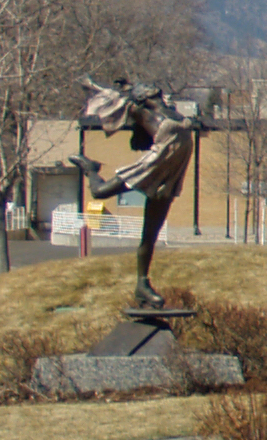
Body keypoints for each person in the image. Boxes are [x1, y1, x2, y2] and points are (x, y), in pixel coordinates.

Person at [82, 80, 200, 310]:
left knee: (150, 235)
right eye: (150, 91)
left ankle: (142, 284)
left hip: (168, 177)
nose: (156, 92)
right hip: (152, 167)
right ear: (141, 97)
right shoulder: (141, 111)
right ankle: (90, 169)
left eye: (156, 90)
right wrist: (93, 86)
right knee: (99, 192)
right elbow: (113, 97)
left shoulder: (171, 111)